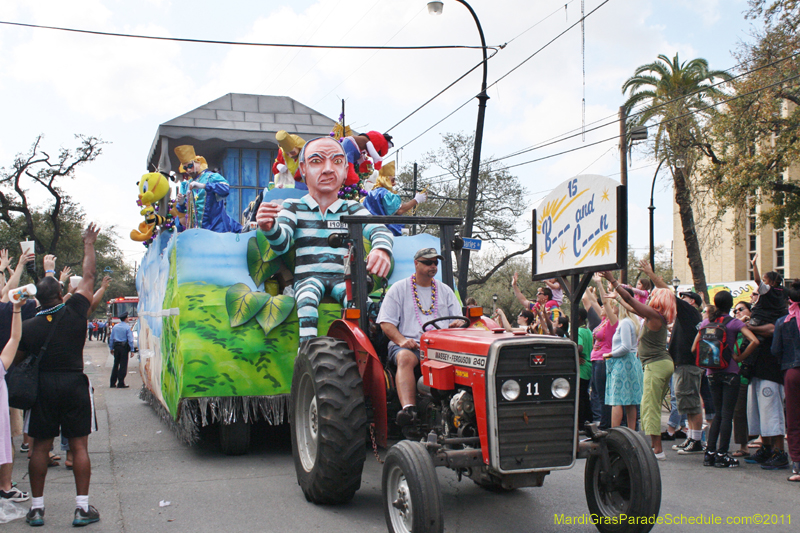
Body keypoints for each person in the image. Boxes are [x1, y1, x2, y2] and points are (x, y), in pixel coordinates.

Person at [256, 137, 393, 343]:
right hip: (308, 277)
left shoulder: (352, 208)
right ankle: (306, 354)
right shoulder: (293, 206)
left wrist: (381, 249)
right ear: (303, 168)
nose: (328, 169)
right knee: (307, 300)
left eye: (337, 162)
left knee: (358, 302)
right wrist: (270, 228)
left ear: (346, 170)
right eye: (317, 161)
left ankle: (362, 354)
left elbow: (378, 229)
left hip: (343, 278)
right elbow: (282, 244)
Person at [16, 223, 101, 527]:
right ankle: (82, 508)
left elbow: (18, 359)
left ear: (37, 299)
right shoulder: (76, 310)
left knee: (40, 446)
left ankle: (37, 509)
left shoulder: (30, 327)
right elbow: (89, 277)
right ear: (63, 292)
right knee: (78, 446)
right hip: (74, 384)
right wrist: (88, 243)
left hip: (43, 387)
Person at [377, 248, 462, 429]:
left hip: (440, 345)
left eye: (435, 263)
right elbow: (386, 323)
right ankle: (409, 410)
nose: (433, 266)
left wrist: (457, 324)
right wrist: (401, 341)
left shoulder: (445, 291)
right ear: (416, 264)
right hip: (410, 344)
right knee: (405, 358)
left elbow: (458, 318)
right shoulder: (399, 289)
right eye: (428, 262)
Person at [602, 271, 675, 461]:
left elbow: (632, 301)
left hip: (657, 364)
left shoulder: (655, 315)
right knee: (649, 405)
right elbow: (631, 306)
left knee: (650, 406)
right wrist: (617, 297)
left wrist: (612, 280)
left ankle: (657, 449)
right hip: (659, 363)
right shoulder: (655, 316)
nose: (649, 297)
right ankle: (654, 446)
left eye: (653, 295)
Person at [637, 261, 705, 454]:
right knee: (687, 402)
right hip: (682, 364)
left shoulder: (689, 311)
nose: (679, 299)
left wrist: (650, 273)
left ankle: (696, 440)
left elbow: (667, 291)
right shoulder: (687, 316)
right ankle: (692, 438)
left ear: (692, 302)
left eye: (684, 298)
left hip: (687, 364)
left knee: (691, 403)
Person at [691, 291, 759, 468]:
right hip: (730, 372)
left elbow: (694, 348)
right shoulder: (734, 323)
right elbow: (754, 341)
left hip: (711, 373)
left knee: (718, 414)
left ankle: (710, 453)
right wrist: (740, 357)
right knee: (727, 414)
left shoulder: (706, 323)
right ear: (730, 305)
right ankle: (722, 454)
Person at [174, 145, 243, 233]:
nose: (188, 169)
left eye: (190, 165)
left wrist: (203, 186)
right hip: (196, 232)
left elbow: (225, 188)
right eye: (185, 167)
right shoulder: (185, 185)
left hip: (216, 228)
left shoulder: (211, 177)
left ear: (198, 163)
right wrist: (181, 203)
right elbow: (184, 211)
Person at [771, 280, 800, 482]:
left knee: (794, 419)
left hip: (792, 371)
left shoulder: (783, 321)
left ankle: (797, 465)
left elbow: (775, 350)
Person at [603, 288, 644, 429]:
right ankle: (632, 432)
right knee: (631, 401)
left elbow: (625, 346)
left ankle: (615, 432)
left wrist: (609, 354)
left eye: (613, 303)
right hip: (632, 361)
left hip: (623, 363)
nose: (612, 306)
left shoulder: (625, 323)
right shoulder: (633, 321)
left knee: (617, 400)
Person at [582, 275, 618, 430]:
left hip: (604, 360)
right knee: (596, 393)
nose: (602, 308)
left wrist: (599, 283)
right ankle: (600, 420)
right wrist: (583, 284)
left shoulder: (612, 322)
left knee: (603, 394)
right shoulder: (603, 321)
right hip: (596, 360)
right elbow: (594, 302)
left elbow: (604, 302)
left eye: (606, 307)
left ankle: (604, 424)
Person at [362, 162, 427, 236]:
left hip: (370, 233)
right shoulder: (385, 194)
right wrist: (416, 200)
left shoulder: (370, 194)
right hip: (388, 233)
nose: (395, 183)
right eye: (393, 180)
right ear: (385, 180)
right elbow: (399, 210)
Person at [732, 301, 753, 458]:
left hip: (749, 374)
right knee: (738, 411)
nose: (737, 312)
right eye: (735, 310)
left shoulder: (751, 327)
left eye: (741, 309)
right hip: (735, 374)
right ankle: (743, 444)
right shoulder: (734, 327)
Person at [576, 309, 594, 429]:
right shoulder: (588, 331)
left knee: (580, 396)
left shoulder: (579, 331)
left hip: (582, 367)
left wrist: (575, 355)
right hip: (588, 365)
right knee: (585, 395)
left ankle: (581, 421)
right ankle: (589, 418)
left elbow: (580, 347)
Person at [107, 312, 134, 389]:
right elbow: (130, 340)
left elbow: (111, 338)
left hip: (116, 347)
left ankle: (112, 382)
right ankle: (121, 382)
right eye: (128, 318)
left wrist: (111, 348)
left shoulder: (115, 327)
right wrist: (132, 350)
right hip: (123, 348)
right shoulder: (127, 328)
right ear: (126, 319)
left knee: (116, 364)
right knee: (123, 365)